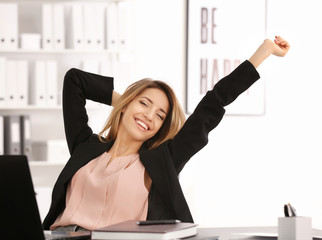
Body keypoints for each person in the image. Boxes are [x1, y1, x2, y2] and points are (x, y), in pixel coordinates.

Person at [43, 36, 290, 231]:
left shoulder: (162, 161)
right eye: (144, 103)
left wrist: (264, 51)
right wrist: (125, 102)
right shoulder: (86, 146)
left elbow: (212, 105)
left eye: (160, 115)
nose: (150, 116)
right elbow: (74, 80)